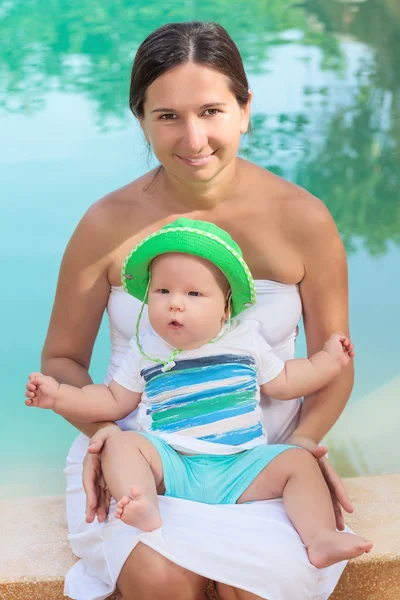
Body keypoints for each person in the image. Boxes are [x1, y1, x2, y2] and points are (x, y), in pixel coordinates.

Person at [39, 20, 357, 600]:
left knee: (254, 588)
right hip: (143, 456)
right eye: (167, 117)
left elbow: (334, 358)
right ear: (141, 120)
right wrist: (107, 437)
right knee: (160, 581)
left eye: (211, 111)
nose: (193, 139)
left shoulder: (304, 220)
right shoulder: (105, 224)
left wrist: (304, 446)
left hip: (259, 459)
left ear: (244, 108)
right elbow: (61, 359)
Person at [26, 219, 371, 570]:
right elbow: (113, 400)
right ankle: (142, 501)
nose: (175, 304)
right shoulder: (146, 347)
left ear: (225, 307)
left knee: (298, 461)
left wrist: (330, 359)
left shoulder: (244, 339)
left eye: (193, 294)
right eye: (162, 292)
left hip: (241, 465)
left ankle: (319, 536)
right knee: (120, 443)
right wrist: (60, 397)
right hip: (172, 466)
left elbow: (285, 380)